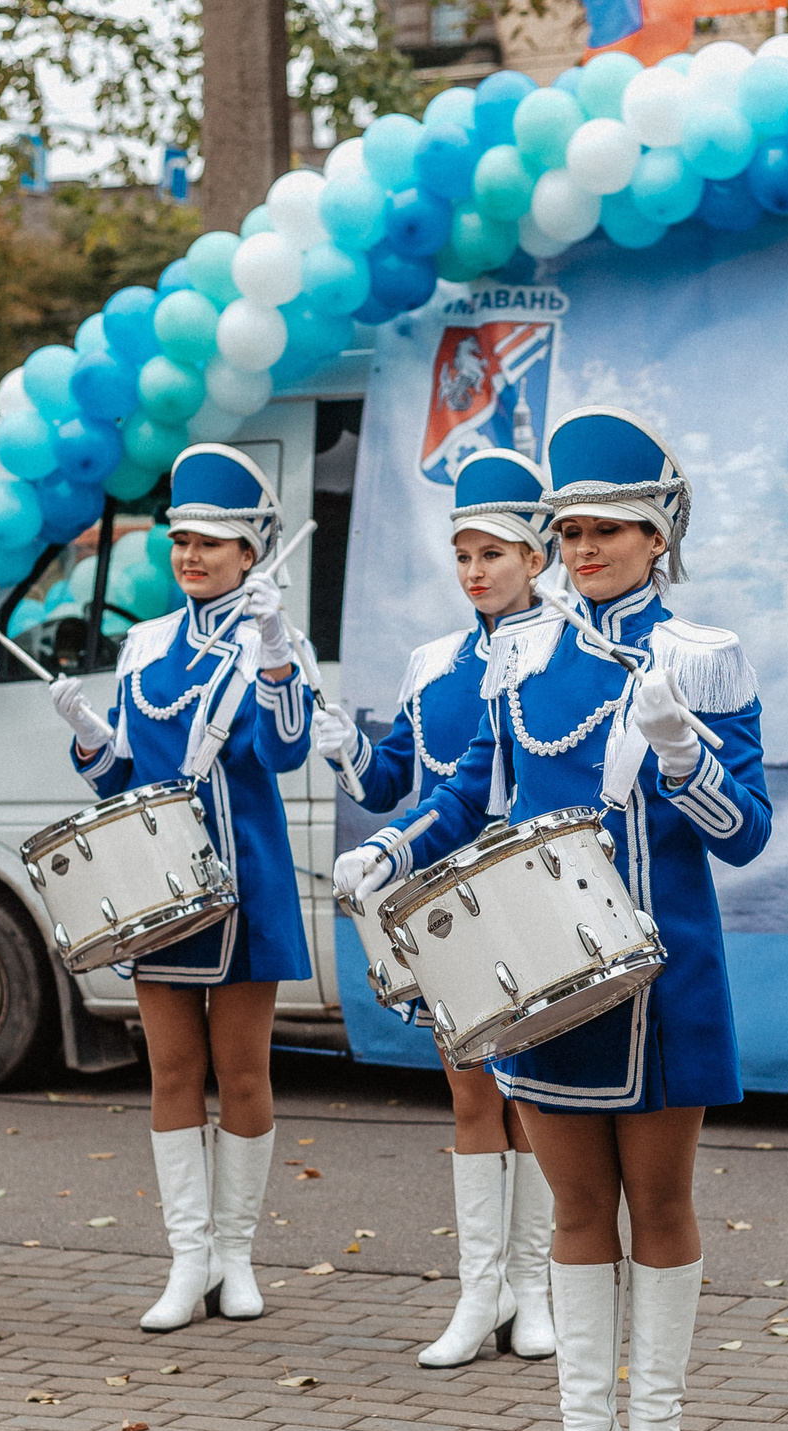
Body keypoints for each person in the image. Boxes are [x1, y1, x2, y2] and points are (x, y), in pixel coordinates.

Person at [335, 408, 770, 1431]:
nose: (583, 550)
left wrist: (685, 755)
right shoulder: (519, 654)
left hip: (665, 973)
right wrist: (391, 842)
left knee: (658, 1202)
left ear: (657, 537)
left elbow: (746, 833)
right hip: (538, 968)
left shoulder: (702, 659)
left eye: (608, 531)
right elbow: (466, 789)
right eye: (569, 530)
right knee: (578, 1205)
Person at [45, 444, 313, 1332]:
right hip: (158, 890)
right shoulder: (147, 642)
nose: (192, 556)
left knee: (241, 1071)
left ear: (251, 551)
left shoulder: (273, 639)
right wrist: (90, 736)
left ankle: (234, 1256)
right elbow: (124, 778)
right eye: (181, 540)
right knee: (170, 1071)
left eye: (211, 542)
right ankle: (185, 1258)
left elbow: (285, 752)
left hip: (249, 879)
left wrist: (275, 657)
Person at [313, 448, 556, 1370]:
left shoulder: (571, 652)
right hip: (449, 905)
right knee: (467, 1094)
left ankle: (533, 1287)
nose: (475, 570)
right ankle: (479, 1293)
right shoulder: (434, 664)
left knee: (530, 1094)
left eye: (493, 552)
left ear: (538, 557)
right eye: (463, 554)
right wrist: (346, 751)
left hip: (530, 901)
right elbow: (395, 787)